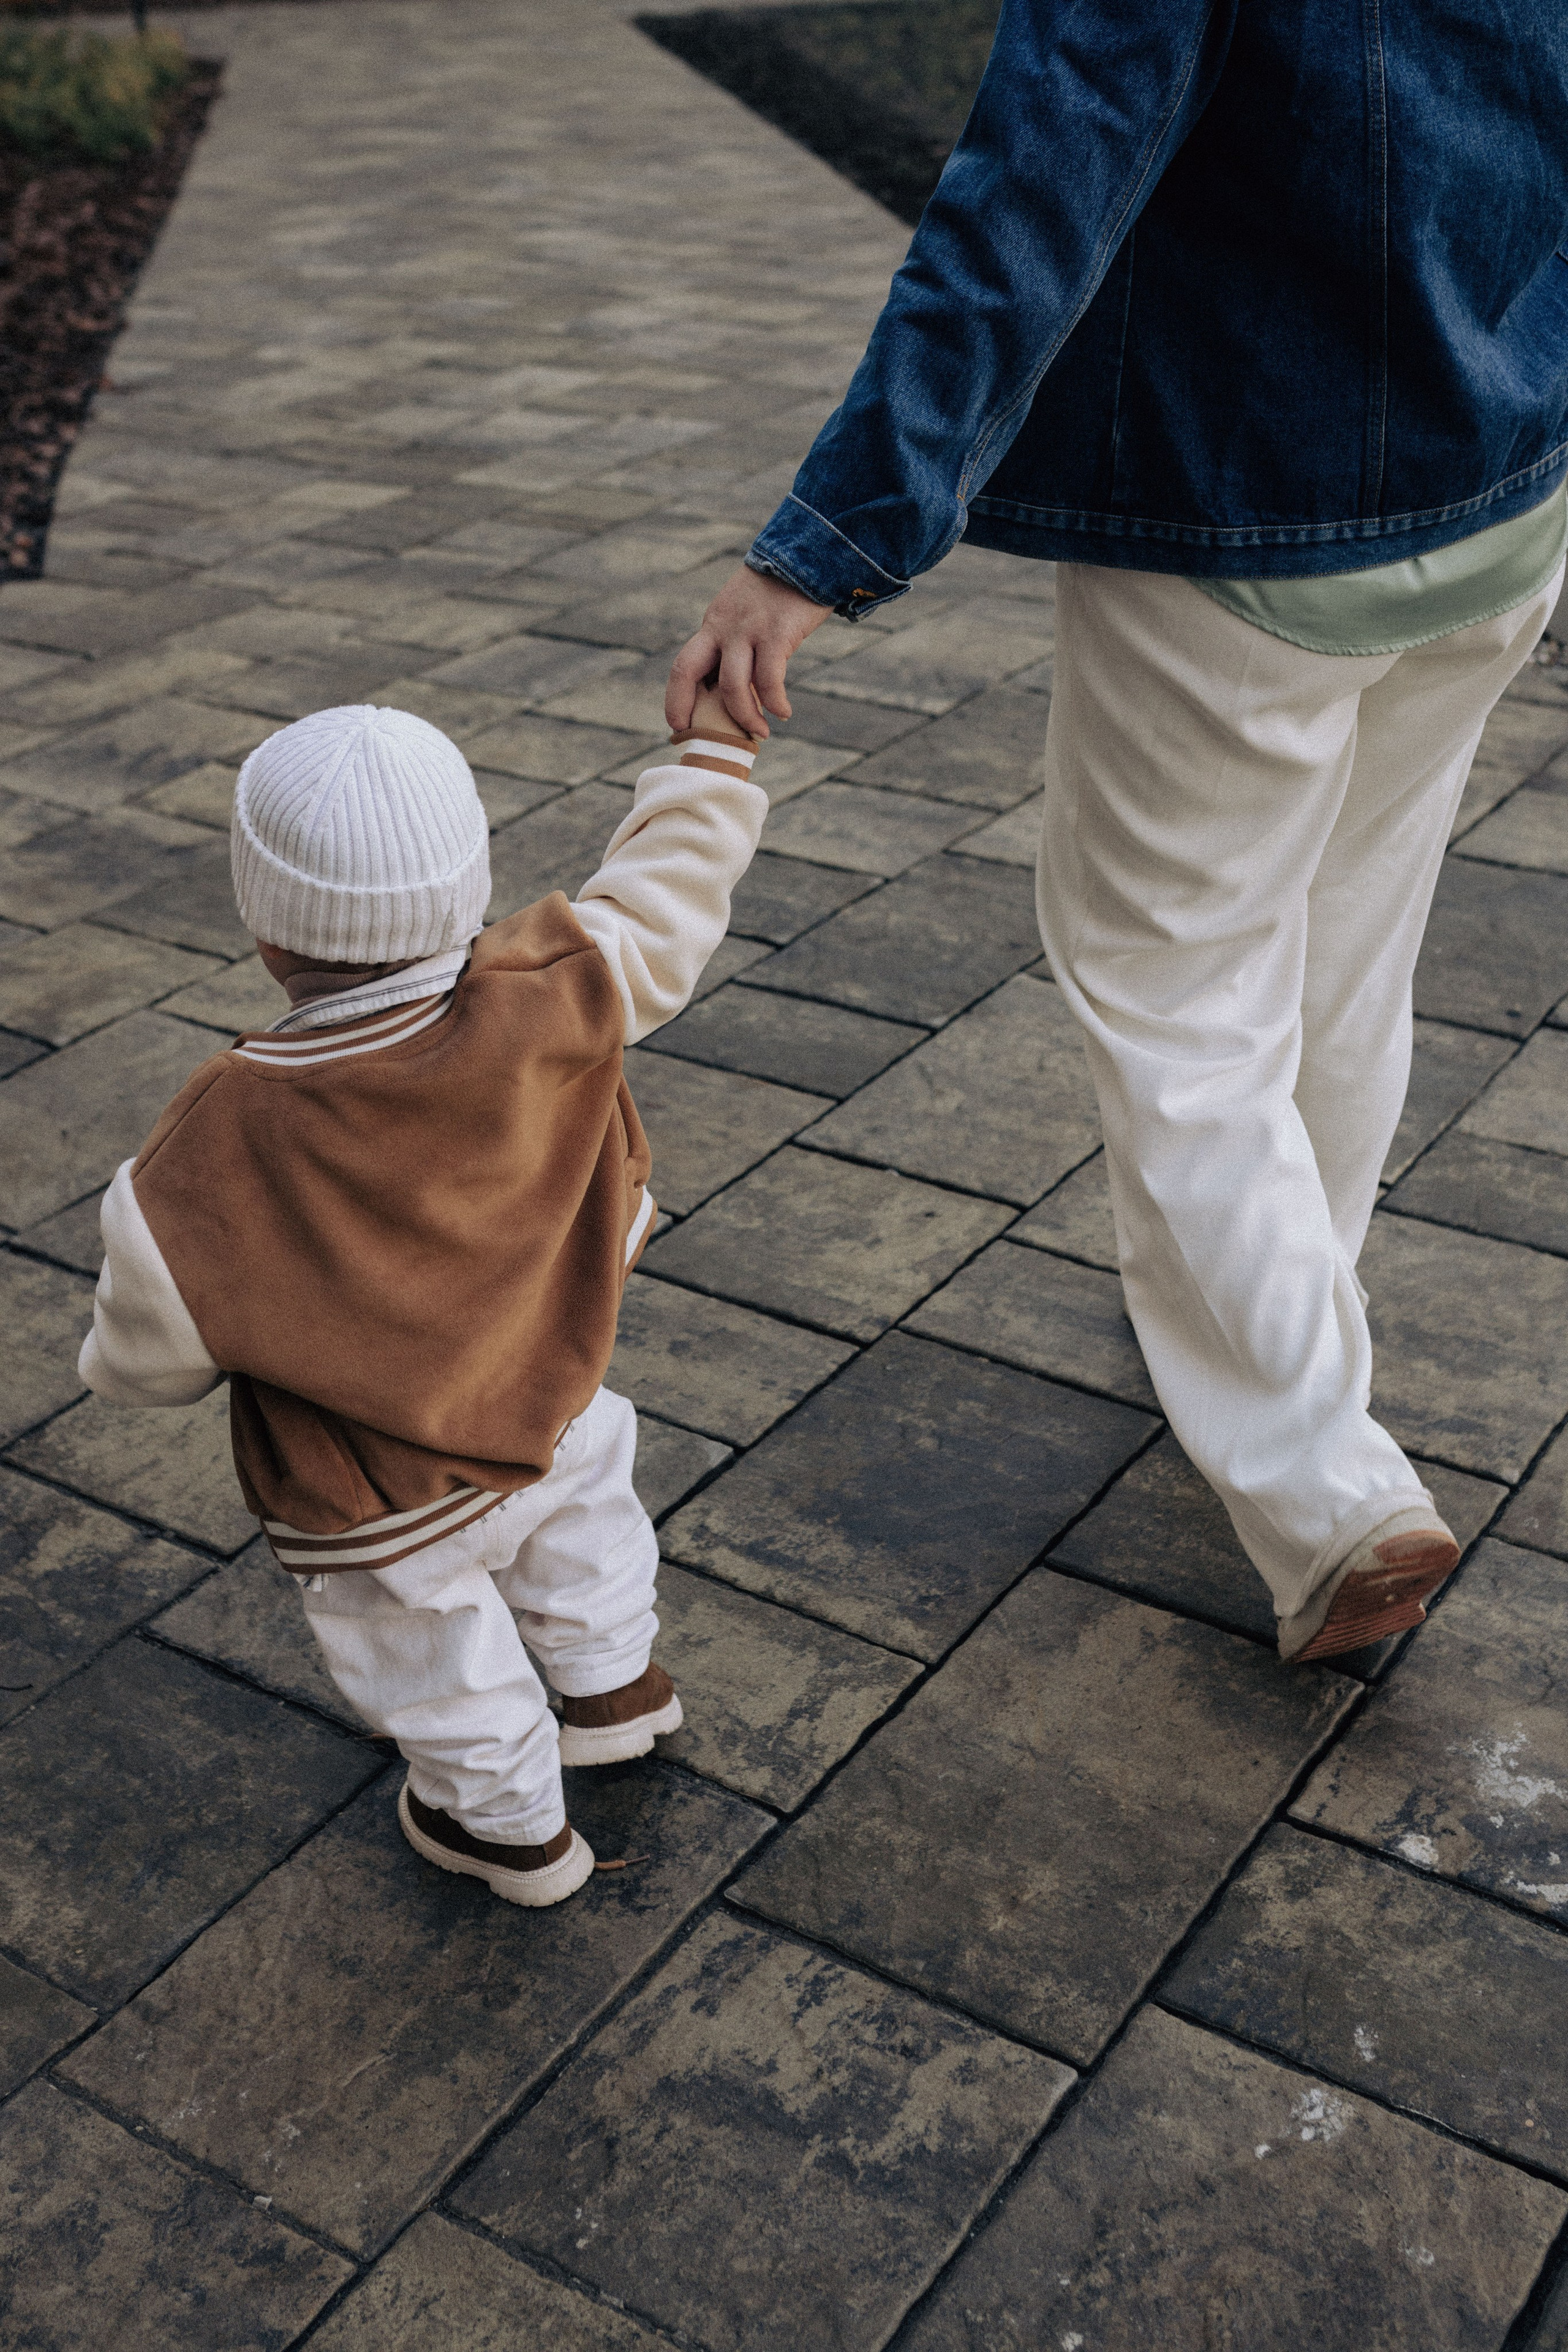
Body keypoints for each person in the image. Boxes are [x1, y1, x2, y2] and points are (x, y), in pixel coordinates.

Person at [668, 0, 1568, 1661]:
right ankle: (1288, 1317)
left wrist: (825, 542)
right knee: (1348, 944)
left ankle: (1319, 1471)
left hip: (1256, 504)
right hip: (1504, 489)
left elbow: (1042, 171)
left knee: (1174, 982)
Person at [77, 696, 767, 1904]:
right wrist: (711, 757)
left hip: (375, 1495)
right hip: (549, 1393)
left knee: (437, 1659)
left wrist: (135, 1360)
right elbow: (664, 895)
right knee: (588, 1536)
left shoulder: (214, 1142)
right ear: (469, 892)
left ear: (264, 928)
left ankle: (505, 1830)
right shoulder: (554, 989)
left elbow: (149, 1359)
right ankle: (617, 1695)